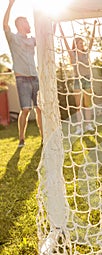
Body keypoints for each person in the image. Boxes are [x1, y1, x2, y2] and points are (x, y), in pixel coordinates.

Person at [3, 0, 42, 148]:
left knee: (40, 109)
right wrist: (10, 5)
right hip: (22, 79)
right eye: (27, 22)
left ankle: (44, 138)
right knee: (25, 110)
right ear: (20, 25)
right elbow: (5, 25)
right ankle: (21, 138)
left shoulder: (32, 40)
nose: (29, 25)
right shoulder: (13, 39)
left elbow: (46, 36)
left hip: (35, 78)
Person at [58, 21, 97, 135]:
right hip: (77, 80)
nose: (82, 44)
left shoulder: (86, 53)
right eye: (79, 43)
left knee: (88, 105)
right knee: (78, 106)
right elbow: (65, 43)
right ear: (75, 44)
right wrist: (61, 29)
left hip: (87, 80)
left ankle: (88, 124)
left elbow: (92, 40)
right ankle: (79, 127)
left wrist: (94, 26)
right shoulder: (73, 55)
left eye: (82, 43)